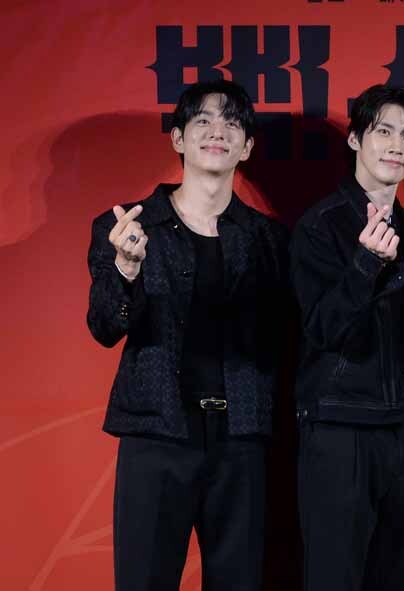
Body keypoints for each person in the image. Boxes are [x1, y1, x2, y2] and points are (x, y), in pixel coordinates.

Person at [86, 79, 288, 590]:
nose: (217, 132)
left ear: (247, 147)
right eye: (203, 121)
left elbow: (287, 337)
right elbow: (104, 327)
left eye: (232, 124)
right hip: (157, 433)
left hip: (240, 439)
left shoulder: (268, 239)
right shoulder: (130, 227)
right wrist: (127, 269)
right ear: (178, 138)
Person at [289, 84, 404, 591]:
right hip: (341, 430)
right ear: (356, 139)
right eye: (383, 131)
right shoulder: (318, 227)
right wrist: (366, 264)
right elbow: (322, 328)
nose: (396, 146)